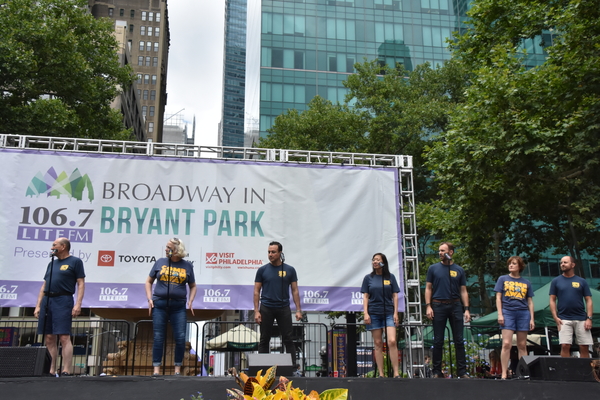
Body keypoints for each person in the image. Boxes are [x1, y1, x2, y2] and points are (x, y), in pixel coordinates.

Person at [34, 237, 86, 377]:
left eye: (54, 245)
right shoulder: (52, 263)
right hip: (48, 300)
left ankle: (66, 370)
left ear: (63, 246)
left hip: (63, 299)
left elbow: (80, 283)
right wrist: (38, 305)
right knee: (49, 337)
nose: (52, 248)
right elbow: (44, 285)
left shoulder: (75, 261)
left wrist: (78, 304)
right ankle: (51, 370)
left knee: (63, 336)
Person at [145, 238, 197, 375]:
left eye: (168, 247)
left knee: (180, 337)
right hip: (160, 304)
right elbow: (148, 282)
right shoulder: (160, 262)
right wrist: (149, 299)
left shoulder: (187, 265)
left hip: (178, 306)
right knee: (158, 337)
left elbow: (193, 286)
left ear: (176, 250)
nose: (166, 249)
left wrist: (191, 301)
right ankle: (156, 370)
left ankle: (177, 370)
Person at [425, 242, 471, 379]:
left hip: (455, 305)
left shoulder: (459, 270)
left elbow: (463, 290)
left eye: (443, 250)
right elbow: (428, 288)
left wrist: (466, 309)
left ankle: (462, 371)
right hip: (438, 305)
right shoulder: (433, 269)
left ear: (450, 252)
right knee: (438, 340)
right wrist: (428, 306)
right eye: (439, 250)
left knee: (459, 340)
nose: (440, 253)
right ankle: (436, 371)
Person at [254, 241, 302, 365]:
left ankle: (292, 367)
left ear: (280, 253)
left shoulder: (290, 270)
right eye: (269, 252)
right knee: (264, 339)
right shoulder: (262, 270)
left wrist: (298, 310)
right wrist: (256, 311)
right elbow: (256, 291)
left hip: (283, 308)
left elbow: (295, 290)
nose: (270, 254)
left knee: (288, 338)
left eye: (273, 252)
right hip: (266, 308)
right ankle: (262, 368)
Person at [494, 256, 535, 379]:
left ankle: (523, 372)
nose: (511, 265)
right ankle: (504, 373)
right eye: (509, 264)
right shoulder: (503, 279)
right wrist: (500, 314)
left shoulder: (526, 282)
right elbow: (498, 297)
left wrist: (532, 318)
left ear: (519, 266)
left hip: (523, 313)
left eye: (514, 263)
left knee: (522, 345)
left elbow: (530, 301)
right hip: (508, 311)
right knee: (506, 343)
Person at [361, 253, 400, 378]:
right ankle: (381, 374)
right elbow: (366, 296)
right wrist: (366, 313)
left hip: (388, 312)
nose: (375, 261)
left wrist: (395, 313)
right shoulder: (368, 278)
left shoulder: (390, 277)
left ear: (383, 262)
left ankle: (396, 373)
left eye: (378, 259)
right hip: (374, 313)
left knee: (392, 341)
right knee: (378, 343)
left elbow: (395, 295)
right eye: (373, 260)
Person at [549, 256, 593, 358]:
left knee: (584, 346)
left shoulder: (582, 281)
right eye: (561, 263)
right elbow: (552, 300)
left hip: (581, 318)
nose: (562, 264)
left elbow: (588, 300)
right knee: (564, 345)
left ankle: (584, 372)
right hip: (563, 318)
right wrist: (555, 317)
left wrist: (589, 318)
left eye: (565, 262)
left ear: (573, 265)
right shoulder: (556, 281)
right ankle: (565, 372)